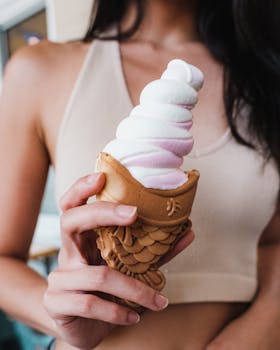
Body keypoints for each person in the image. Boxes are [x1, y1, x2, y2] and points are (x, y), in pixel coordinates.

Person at [0, 0, 279, 349]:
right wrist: (63, 314)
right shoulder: (40, 70)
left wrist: (257, 330)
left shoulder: (266, 75)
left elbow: (274, 245)